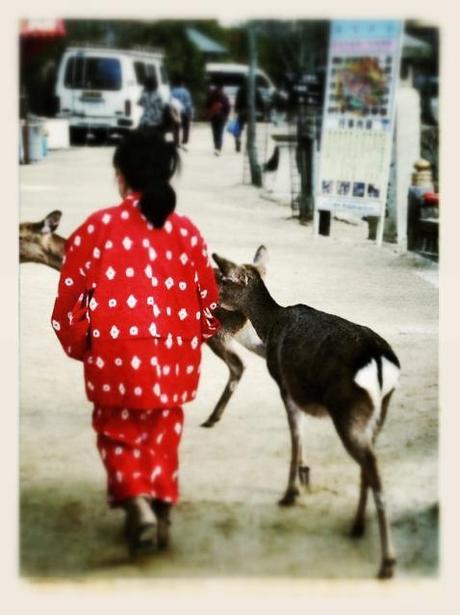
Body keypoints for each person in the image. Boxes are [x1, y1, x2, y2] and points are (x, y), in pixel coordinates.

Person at [50, 129, 221, 556]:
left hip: (116, 357)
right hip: (173, 360)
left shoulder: (96, 228)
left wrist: (80, 344)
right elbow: (208, 301)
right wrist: (194, 338)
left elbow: (70, 299)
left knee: (119, 433)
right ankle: (161, 509)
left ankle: (138, 505)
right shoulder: (187, 232)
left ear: (121, 177)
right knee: (163, 433)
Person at [233, 81, 266, 152]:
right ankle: (249, 144)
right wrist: (263, 111)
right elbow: (261, 101)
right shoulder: (256, 90)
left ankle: (238, 139)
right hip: (252, 112)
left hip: (242, 111)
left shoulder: (241, 90)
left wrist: (236, 110)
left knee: (238, 128)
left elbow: (237, 101)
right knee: (251, 129)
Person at [205, 84, 230, 156]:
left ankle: (216, 146)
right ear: (222, 88)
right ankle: (218, 148)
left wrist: (208, 114)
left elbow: (207, 105)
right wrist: (226, 115)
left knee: (214, 132)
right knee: (220, 132)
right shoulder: (224, 96)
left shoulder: (211, 95)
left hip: (213, 116)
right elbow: (227, 107)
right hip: (221, 117)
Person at [171, 79, 193, 151]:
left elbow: (171, 102)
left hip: (176, 112)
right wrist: (189, 112)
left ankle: (176, 143)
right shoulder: (186, 92)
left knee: (176, 128)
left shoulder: (173, 91)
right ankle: (184, 141)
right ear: (182, 83)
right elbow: (188, 103)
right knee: (186, 127)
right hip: (185, 112)